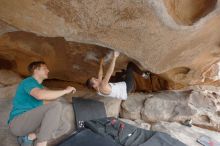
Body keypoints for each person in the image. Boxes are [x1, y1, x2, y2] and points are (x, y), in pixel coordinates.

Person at [8, 61, 76, 146]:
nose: (48, 70)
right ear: (36, 70)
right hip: (18, 123)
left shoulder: (41, 88)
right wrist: (65, 91)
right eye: (45, 68)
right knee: (56, 106)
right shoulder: (28, 82)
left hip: (31, 124)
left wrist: (65, 92)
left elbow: (50, 100)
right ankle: (41, 143)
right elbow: (39, 95)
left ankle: (29, 137)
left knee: (64, 126)